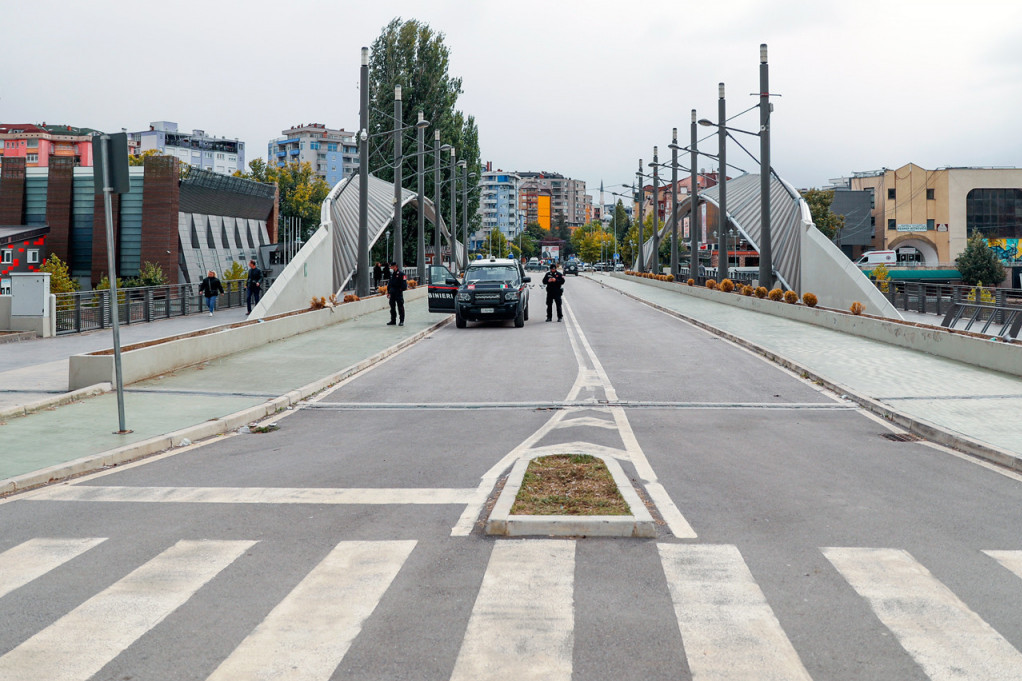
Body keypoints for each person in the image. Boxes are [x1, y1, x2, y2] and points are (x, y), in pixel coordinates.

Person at [386, 261, 406, 326]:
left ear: (395, 266)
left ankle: (401, 321)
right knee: (392, 307)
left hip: (398, 292)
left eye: (392, 266)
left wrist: (400, 290)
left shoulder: (401, 274)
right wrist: (388, 292)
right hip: (392, 292)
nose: (391, 268)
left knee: (400, 307)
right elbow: (390, 284)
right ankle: (393, 320)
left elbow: (404, 285)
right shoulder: (392, 274)